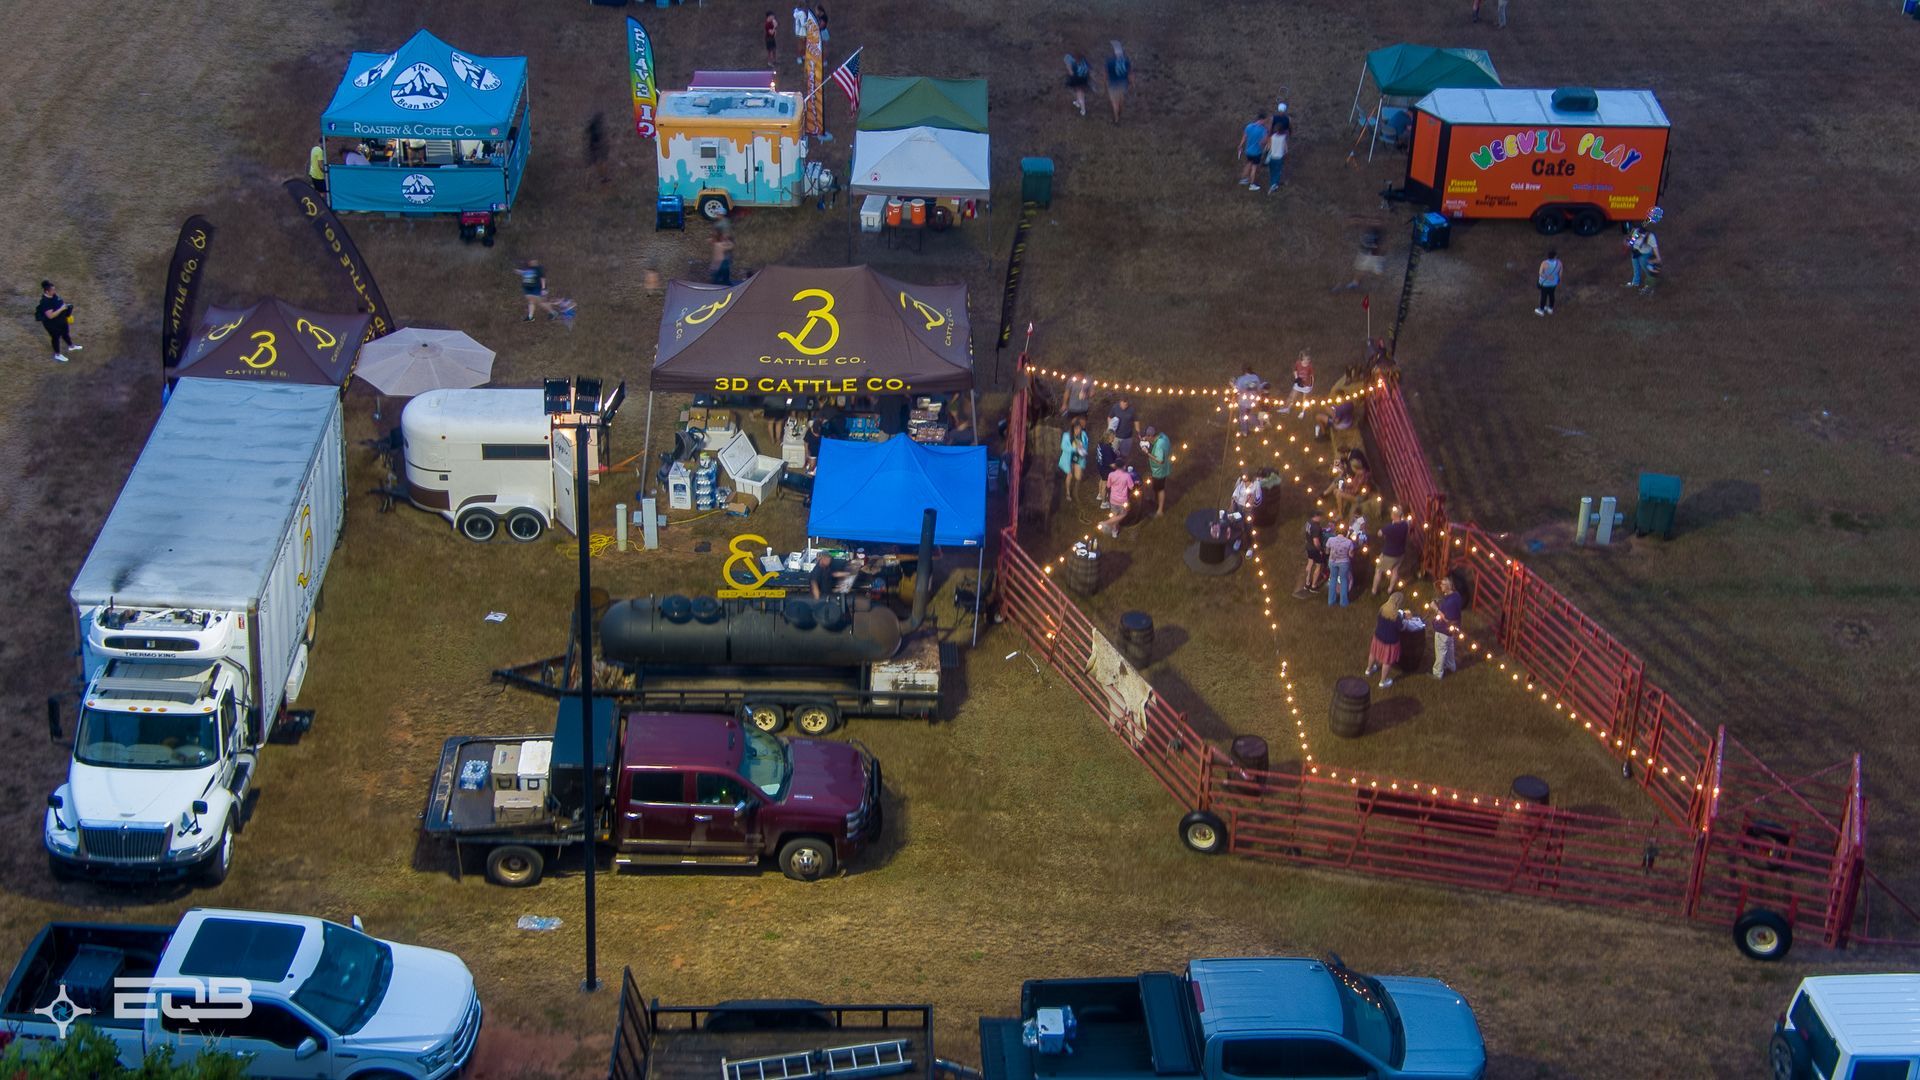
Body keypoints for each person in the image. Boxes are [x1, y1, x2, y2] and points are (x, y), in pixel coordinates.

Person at [1367, 592, 1409, 688]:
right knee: (1387, 661)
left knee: (1373, 653)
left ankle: (1368, 670)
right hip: (1390, 642)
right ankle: (1383, 681)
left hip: (1378, 637)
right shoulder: (1396, 616)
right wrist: (1405, 621)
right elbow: (1401, 628)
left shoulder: (1382, 608)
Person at [1429, 577, 1465, 679]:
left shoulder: (1451, 602)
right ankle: (1451, 666)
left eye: (1443, 584)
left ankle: (1437, 674)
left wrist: (1435, 609)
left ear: (1448, 586)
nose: (1440, 586)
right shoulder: (1456, 595)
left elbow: (1447, 619)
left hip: (1443, 630)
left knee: (1440, 651)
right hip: (1451, 631)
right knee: (1449, 648)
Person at [1372, 505, 1412, 595]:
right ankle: (1390, 589)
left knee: (1378, 570)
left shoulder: (1389, 528)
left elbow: (1379, 533)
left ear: (1393, 515)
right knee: (1395, 570)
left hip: (1388, 554)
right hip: (1400, 553)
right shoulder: (1405, 525)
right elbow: (1408, 522)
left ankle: (1374, 591)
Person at [35, 280, 79, 363]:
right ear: (47, 291)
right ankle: (57, 355)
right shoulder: (45, 302)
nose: (55, 291)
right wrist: (62, 308)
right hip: (52, 324)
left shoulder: (54, 295)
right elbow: (50, 316)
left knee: (65, 333)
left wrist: (66, 310)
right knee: (56, 338)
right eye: (53, 290)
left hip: (61, 320)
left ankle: (71, 346)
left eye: (54, 289)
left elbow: (59, 303)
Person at [1140, 424, 1172, 517]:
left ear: (1151, 435)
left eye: (1147, 437)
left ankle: (1160, 511)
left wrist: (1148, 453)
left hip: (1159, 471)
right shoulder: (1163, 436)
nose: (1146, 439)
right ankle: (1156, 501)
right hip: (1165, 466)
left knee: (1159, 489)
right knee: (1157, 488)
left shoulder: (1159, 446)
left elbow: (1160, 460)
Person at [1059, 416, 1089, 504]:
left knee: (1078, 476)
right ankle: (1068, 493)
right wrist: (1074, 449)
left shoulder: (1083, 435)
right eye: (1076, 429)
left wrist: (1083, 448)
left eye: (1079, 428)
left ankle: (1075, 493)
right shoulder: (1066, 435)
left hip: (1079, 459)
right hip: (1069, 459)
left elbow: (1086, 445)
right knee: (1070, 475)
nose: (1078, 431)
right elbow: (1063, 447)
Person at [1324, 522, 1355, 608]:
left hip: (1333, 562)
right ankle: (1343, 602)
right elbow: (1351, 555)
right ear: (1345, 533)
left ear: (1337, 532)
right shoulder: (1349, 542)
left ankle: (1331, 601)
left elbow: (1327, 551)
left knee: (1333, 580)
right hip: (1344, 563)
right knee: (1344, 580)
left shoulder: (1330, 540)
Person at [1099, 465, 1135, 537]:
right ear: (1124, 467)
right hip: (1122, 500)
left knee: (1114, 515)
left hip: (1113, 499)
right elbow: (1131, 487)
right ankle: (1106, 523)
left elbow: (1108, 485)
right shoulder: (1126, 476)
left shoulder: (1111, 474)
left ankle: (1114, 532)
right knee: (1124, 514)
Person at [1299, 512, 1328, 594]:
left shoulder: (1308, 522)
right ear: (1316, 516)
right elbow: (1316, 541)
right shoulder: (1316, 527)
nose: (1321, 518)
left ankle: (1307, 583)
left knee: (1310, 563)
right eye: (1320, 517)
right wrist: (1321, 549)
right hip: (1315, 549)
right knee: (1319, 566)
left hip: (1308, 546)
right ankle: (1313, 586)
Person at [1237, 112, 1269, 189]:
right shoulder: (1263, 130)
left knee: (1248, 164)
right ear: (1261, 120)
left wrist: (1240, 145)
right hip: (1257, 152)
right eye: (1265, 120)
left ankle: (1244, 179)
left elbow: (1244, 137)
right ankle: (1252, 185)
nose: (1265, 122)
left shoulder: (1249, 126)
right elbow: (1263, 142)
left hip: (1248, 151)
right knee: (1254, 168)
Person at [1627, 225, 1662, 291]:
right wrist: (1629, 243)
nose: (1637, 235)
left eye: (1639, 235)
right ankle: (1635, 283)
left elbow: (1655, 248)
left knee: (1647, 270)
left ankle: (1649, 287)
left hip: (1645, 254)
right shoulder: (1636, 232)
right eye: (1637, 233)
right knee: (1636, 269)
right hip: (1635, 253)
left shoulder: (1650, 237)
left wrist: (1658, 258)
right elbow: (1632, 240)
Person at [1265, 105, 1290, 192]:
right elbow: (1286, 150)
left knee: (1272, 171)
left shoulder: (1274, 118)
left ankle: (1273, 184)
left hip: (1272, 156)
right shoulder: (1287, 119)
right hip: (1279, 157)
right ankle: (1274, 184)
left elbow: (1268, 146)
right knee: (1278, 171)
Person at [1104, 42, 1130, 124]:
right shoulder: (1126, 62)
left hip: (1112, 84)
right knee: (1121, 100)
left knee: (1114, 102)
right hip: (1123, 84)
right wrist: (1132, 83)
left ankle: (1116, 119)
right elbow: (1130, 73)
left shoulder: (1109, 62)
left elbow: (1105, 74)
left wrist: (1104, 83)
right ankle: (1120, 111)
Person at [1233, 364, 1263, 432]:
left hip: (1243, 402)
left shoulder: (1241, 379)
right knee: (1250, 414)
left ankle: (1245, 431)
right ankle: (1258, 426)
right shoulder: (1255, 377)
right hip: (1253, 401)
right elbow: (1259, 388)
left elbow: (1237, 390)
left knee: (1243, 416)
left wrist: (1233, 384)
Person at [1536, 248, 1562, 316]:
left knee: (1543, 296)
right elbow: (1560, 273)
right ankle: (1550, 309)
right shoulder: (1559, 263)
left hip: (1544, 283)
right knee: (1552, 295)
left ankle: (1541, 310)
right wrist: (1558, 280)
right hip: (1554, 283)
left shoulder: (1544, 263)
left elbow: (1540, 273)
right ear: (1555, 256)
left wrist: (1548, 277)